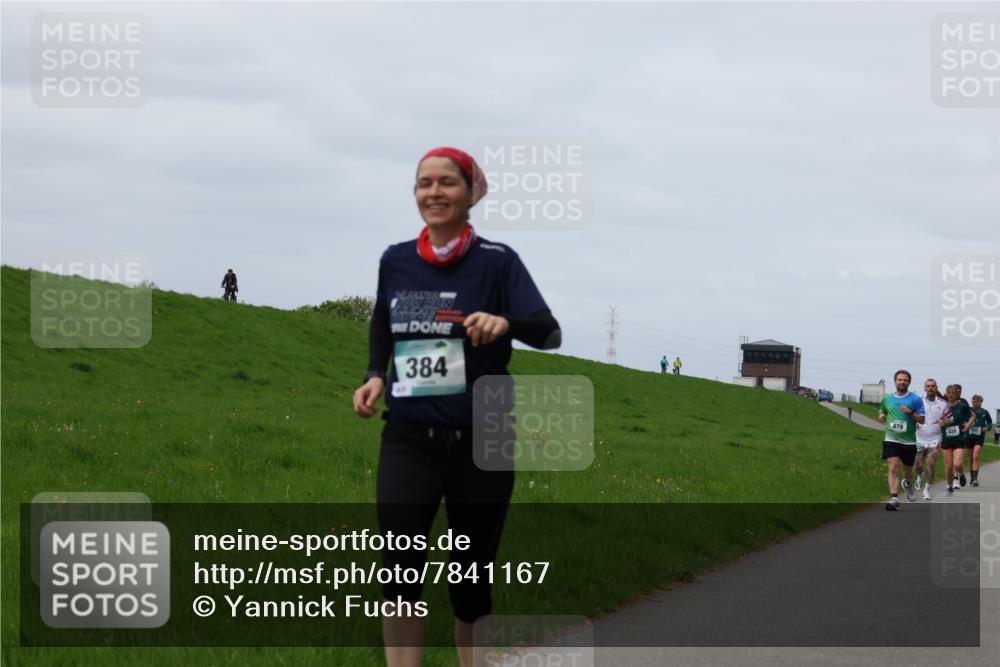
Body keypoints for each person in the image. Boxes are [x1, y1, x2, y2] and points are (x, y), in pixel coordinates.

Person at [352, 146, 561, 667]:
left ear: (471, 194)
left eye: (447, 182)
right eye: (425, 183)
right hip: (408, 438)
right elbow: (382, 323)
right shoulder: (395, 260)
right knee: (399, 571)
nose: (434, 192)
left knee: (470, 580)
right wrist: (375, 374)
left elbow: (550, 331)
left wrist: (506, 322)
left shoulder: (497, 261)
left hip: (482, 440)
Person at [877, 370, 925, 511]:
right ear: (895, 381)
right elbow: (882, 411)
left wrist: (910, 412)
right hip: (891, 440)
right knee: (893, 467)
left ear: (909, 382)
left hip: (909, 441)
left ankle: (908, 484)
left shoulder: (915, 400)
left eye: (905, 380)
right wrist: (881, 416)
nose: (902, 382)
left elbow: (922, 420)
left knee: (908, 470)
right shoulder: (887, 399)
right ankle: (894, 498)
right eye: (900, 379)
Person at [914, 379, 947, 500]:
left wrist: (944, 421)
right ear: (924, 388)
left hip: (935, 438)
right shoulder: (918, 402)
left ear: (936, 387)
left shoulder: (943, 403)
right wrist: (915, 422)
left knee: (931, 463)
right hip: (920, 437)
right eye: (928, 386)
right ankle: (920, 475)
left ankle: (927, 489)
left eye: (933, 386)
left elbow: (950, 418)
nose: (930, 388)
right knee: (918, 465)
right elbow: (912, 416)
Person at [940, 384, 975, 496]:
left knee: (957, 464)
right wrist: (940, 422)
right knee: (949, 466)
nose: (951, 395)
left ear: (957, 394)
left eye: (953, 393)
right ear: (946, 394)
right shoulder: (942, 407)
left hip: (959, 439)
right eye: (949, 393)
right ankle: (950, 488)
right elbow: (936, 418)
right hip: (946, 439)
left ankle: (962, 473)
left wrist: (968, 425)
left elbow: (972, 416)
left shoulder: (962, 406)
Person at [966, 394, 993, 486]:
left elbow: (989, 422)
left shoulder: (985, 412)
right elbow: (963, 419)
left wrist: (987, 428)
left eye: (976, 402)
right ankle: (971, 477)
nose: (974, 403)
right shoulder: (968, 410)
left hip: (979, 436)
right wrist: (967, 423)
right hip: (969, 436)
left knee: (976, 456)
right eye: (973, 401)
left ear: (980, 402)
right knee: (970, 459)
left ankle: (975, 479)